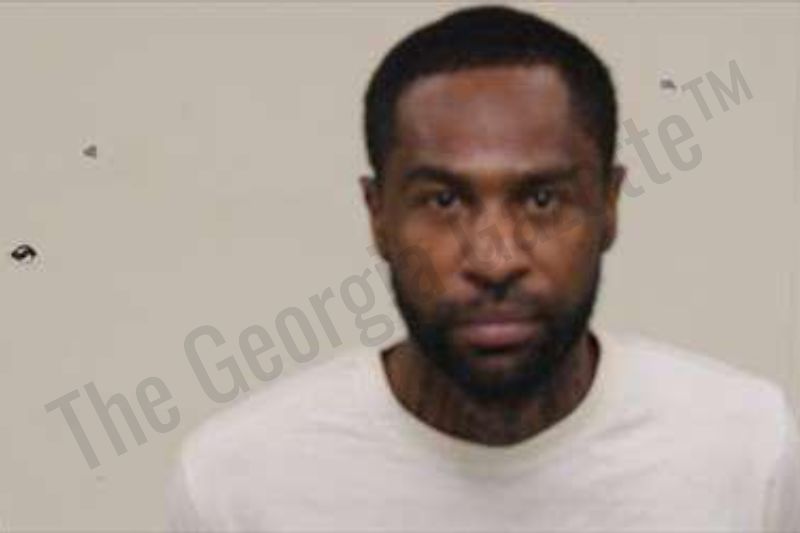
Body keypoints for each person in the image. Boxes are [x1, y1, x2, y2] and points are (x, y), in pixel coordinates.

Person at [166, 5, 800, 531]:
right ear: (377, 215)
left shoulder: (749, 452)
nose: (496, 261)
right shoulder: (239, 484)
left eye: (542, 200)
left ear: (608, 206)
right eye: (443, 201)